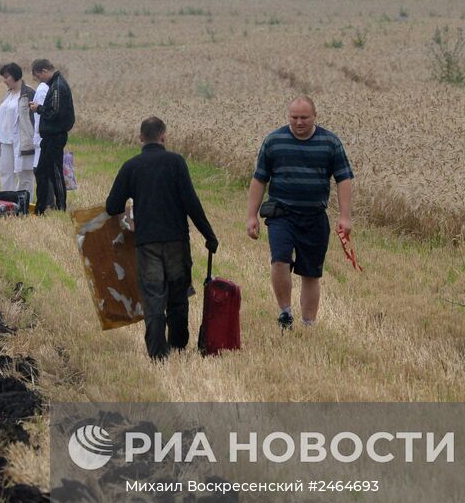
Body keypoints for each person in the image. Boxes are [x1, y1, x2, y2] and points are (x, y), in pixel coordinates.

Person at [106, 117, 219, 361]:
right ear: (164, 137)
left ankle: (158, 353)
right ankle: (178, 344)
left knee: (154, 296)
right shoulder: (176, 162)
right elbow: (191, 202)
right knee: (178, 295)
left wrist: (131, 208)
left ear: (140, 138)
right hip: (176, 240)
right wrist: (209, 235)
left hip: (147, 243)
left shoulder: (131, 166)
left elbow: (112, 205)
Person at [245, 96, 353, 330]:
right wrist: (252, 216)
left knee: (311, 273)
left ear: (315, 116)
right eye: (294, 118)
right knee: (280, 260)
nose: (299, 122)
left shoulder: (330, 143)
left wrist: (345, 217)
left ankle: (308, 324)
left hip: (315, 216)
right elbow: (259, 179)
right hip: (281, 214)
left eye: (304, 117)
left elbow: (344, 179)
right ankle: (285, 313)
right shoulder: (273, 141)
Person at [28, 59, 74, 214]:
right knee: (41, 172)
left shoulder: (58, 86)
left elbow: (54, 112)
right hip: (49, 137)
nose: (40, 81)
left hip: (55, 136)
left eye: (38, 77)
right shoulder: (55, 84)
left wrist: (38, 108)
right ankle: (40, 208)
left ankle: (61, 207)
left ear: (44, 71)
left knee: (55, 173)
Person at [0, 63, 36, 193]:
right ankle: (8, 203)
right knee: (5, 174)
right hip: (5, 140)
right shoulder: (8, 94)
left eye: (7, 77)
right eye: (3, 77)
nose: (4, 80)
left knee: (25, 174)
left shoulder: (29, 93)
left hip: (22, 142)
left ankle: (24, 204)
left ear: (16, 75)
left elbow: (35, 118)